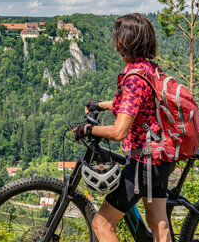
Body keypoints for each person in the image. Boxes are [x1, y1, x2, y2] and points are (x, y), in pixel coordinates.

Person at [73, 13, 176, 242]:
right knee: (158, 223)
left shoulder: (134, 78)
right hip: (161, 156)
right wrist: (100, 105)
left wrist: (87, 130)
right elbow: (135, 106)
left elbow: (119, 132)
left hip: (145, 160)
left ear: (125, 42)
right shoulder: (148, 68)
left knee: (102, 224)